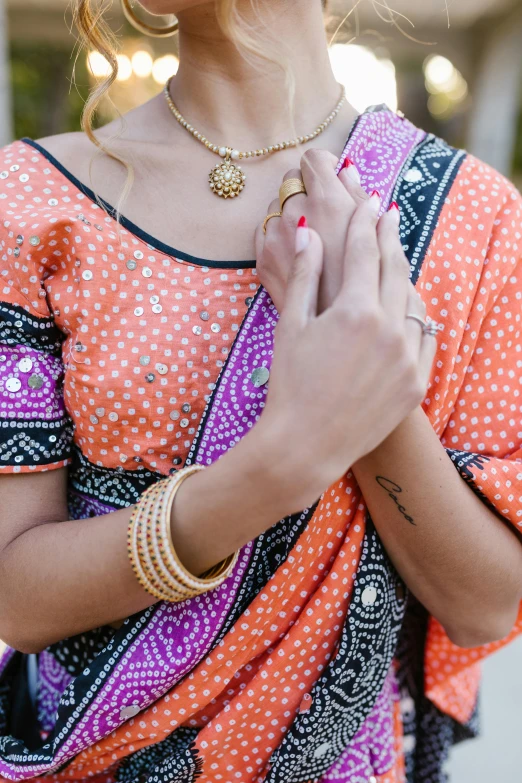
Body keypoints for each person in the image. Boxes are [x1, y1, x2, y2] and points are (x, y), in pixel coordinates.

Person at [0, 1, 520, 781]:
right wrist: (282, 462)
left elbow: (484, 603)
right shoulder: (34, 201)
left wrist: (367, 381)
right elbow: (19, 598)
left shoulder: (477, 220)